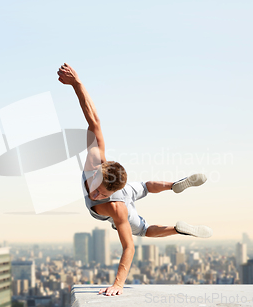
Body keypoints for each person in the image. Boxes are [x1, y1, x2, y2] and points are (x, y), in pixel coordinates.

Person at [57, 63, 213, 296]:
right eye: (98, 189)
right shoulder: (94, 159)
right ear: (99, 171)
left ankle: (177, 223)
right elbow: (94, 120)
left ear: (112, 193)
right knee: (146, 186)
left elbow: (128, 247)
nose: (95, 195)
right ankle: (174, 189)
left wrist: (118, 283)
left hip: (123, 200)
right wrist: (77, 84)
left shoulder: (116, 207)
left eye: (102, 195)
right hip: (127, 189)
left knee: (144, 230)